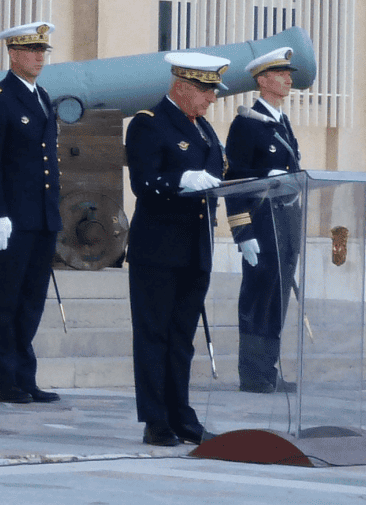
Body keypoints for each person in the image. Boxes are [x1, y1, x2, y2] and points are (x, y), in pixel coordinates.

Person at [124, 51, 228, 447]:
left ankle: (181, 414)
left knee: (182, 336)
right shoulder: (149, 123)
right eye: (205, 91)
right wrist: (182, 179)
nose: (212, 98)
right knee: (154, 334)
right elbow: (144, 181)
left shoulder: (204, 129)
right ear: (182, 86)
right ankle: (156, 419)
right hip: (159, 248)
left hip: (195, 247)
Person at [0, 21, 62, 404]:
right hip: (13, 218)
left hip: (42, 217)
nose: (39, 57)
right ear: (13, 54)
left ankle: (25, 377)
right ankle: (2, 381)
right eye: (32, 50)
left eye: (43, 51)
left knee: (31, 300)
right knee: (5, 300)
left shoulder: (42, 96)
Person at [223, 46, 303, 394]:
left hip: (284, 223)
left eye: (288, 75)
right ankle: (252, 373)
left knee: (277, 298)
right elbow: (234, 181)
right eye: (280, 75)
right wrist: (242, 232)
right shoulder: (246, 124)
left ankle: (268, 370)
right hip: (260, 223)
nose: (288, 80)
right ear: (262, 81)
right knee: (258, 299)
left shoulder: (281, 122)